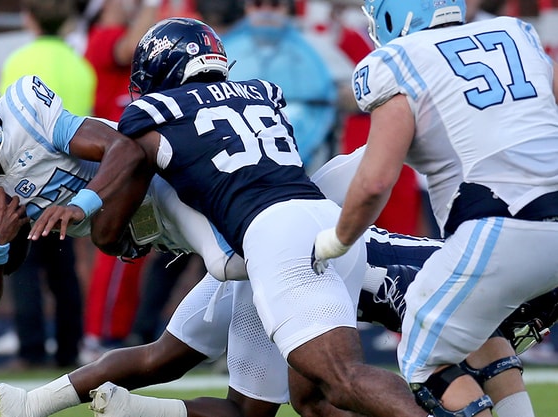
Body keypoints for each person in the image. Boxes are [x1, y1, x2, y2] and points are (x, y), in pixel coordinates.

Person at [83, 16, 431, 417]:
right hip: (323, 220)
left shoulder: (154, 113)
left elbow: (114, 225)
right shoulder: (262, 94)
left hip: (276, 241)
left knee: (342, 376)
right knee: (311, 400)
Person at [310, 1, 558, 415]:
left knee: (424, 361)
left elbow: (374, 181)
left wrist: (336, 240)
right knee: (475, 329)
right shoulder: (516, 32)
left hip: (502, 224)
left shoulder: (397, 60)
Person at [0, 0, 94, 371]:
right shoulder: (81, 66)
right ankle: (69, 350)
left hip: (27, 183)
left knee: (25, 269)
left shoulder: (19, 60)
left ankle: (30, 350)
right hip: (71, 184)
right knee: (65, 272)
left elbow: (3, 126)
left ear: (28, 18)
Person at [79, 0, 161, 359]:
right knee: (117, 252)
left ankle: (116, 332)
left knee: (136, 250)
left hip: (133, 161)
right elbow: (133, 46)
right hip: (118, 163)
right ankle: (100, 334)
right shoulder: (102, 36)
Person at [221, 0, 338, 169]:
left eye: (275, 4)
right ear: (247, 8)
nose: (266, 12)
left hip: (303, 159)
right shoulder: (226, 48)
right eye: (258, 4)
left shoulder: (315, 48)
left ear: (287, 9)